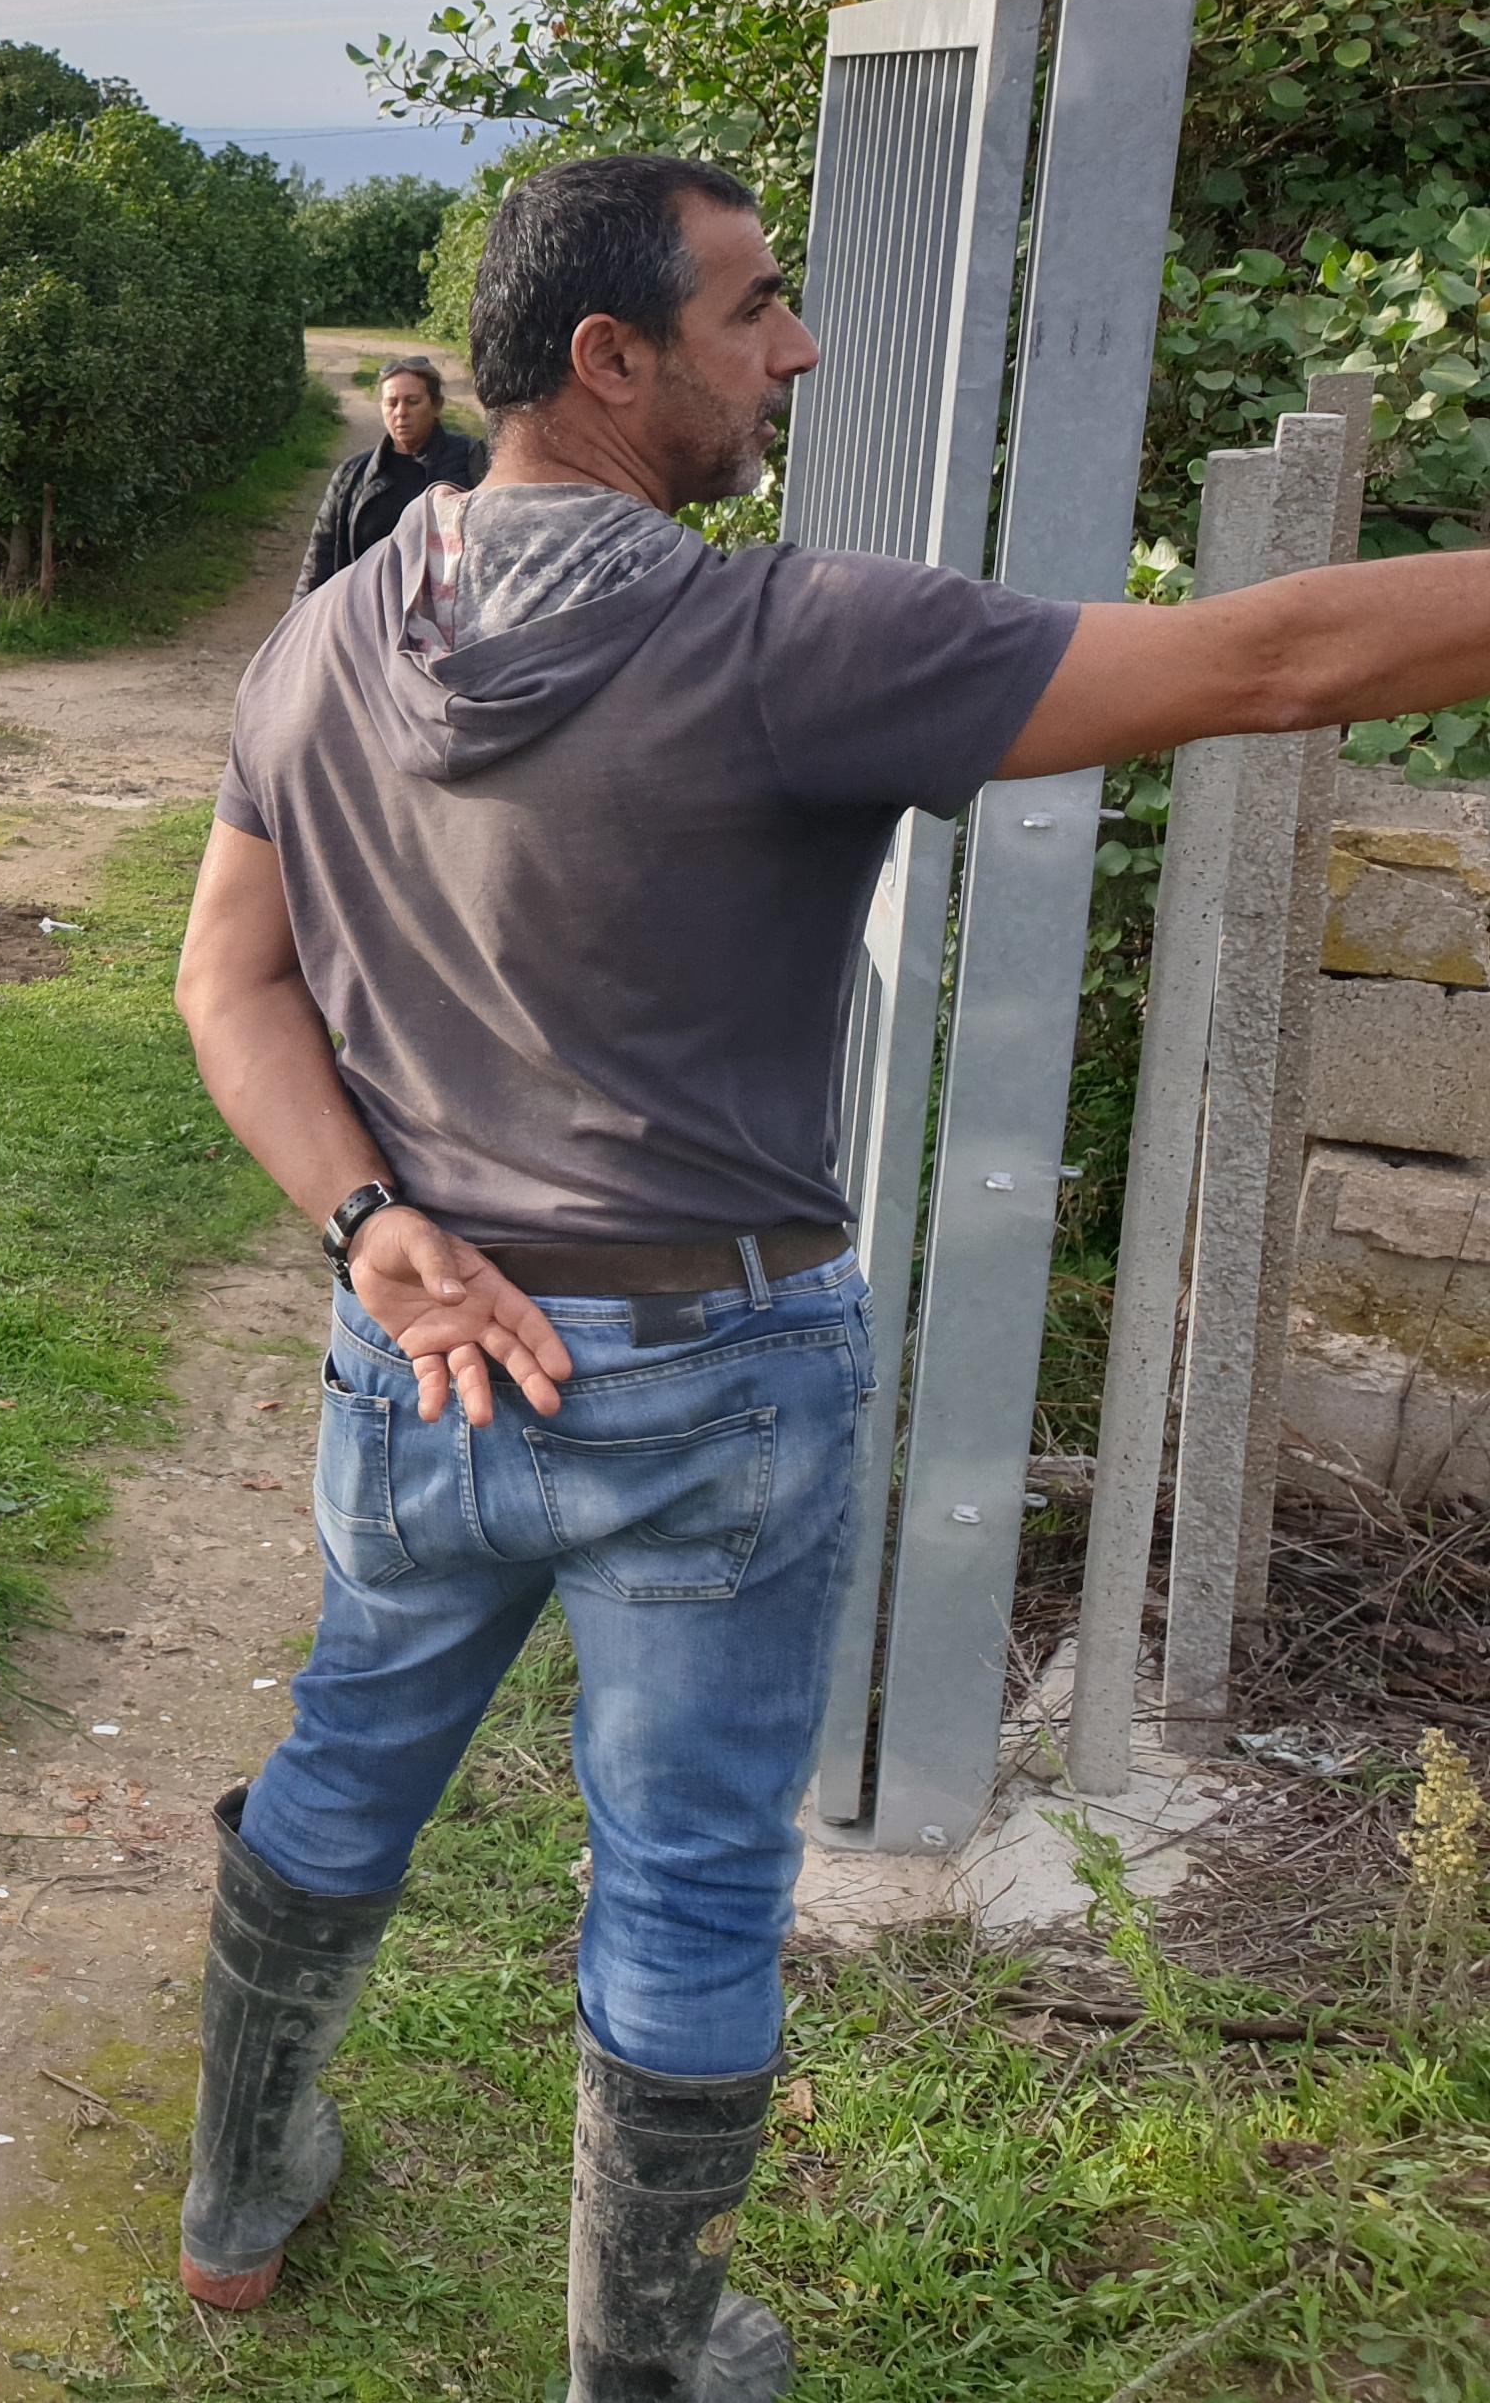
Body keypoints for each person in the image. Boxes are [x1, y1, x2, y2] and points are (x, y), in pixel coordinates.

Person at [172, 151, 1490, 2398]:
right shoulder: (785, 640)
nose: (792, 348)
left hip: (422, 1365)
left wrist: (375, 1230)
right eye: (755, 308)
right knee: (686, 1877)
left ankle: (238, 2194)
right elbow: (1273, 661)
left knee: (341, 1763)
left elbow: (228, 981)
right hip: (710, 1379)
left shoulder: (327, 637)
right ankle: (649, 2369)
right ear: (609, 358)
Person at [293, 354, 488, 594]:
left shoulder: (474, 461)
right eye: (391, 402)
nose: (401, 412)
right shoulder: (352, 475)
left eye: (413, 401)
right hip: (368, 614)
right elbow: (319, 561)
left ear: (436, 405)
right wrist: (302, 622)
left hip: (450, 619)